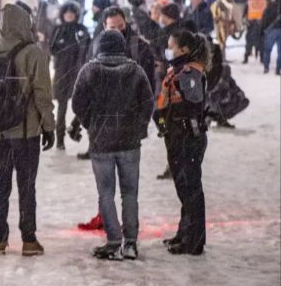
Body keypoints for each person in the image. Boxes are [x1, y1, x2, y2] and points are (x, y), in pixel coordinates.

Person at [0, 3, 55, 256]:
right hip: (26, 132)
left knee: (0, 185)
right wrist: (49, 127)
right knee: (26, 186)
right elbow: (42, 94)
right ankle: (29, 239)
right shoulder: (33, 53)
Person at [71, 30, 153, 260]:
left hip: (101, 142)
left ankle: (113, 240)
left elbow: (77, 103)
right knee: (130, 193)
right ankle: (131, 243)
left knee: (105, 194)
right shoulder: (136, 71)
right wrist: (137, 127)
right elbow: (147, 103)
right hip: (129, 142)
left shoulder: (89, 70)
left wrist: (92, 123)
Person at [155, 29, 211, 256]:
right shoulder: (176, 70)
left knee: (191, 188)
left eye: (172, 46)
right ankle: (185, 232)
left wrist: (182, 85)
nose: (169, 50)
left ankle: (194, 241)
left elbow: (194, 101)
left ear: (184, 50)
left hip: (189, 136)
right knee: (183, 187)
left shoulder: (190, 72)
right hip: (176, 135)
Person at [50, 2, 90, 150]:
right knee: (61, 106)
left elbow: (87, 49)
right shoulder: (58, 30)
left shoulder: (82, 31)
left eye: (72, 14)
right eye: (67, 13)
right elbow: (52, 48)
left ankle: (74, 126)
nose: (69, 15)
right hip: (62, 73)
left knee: (84, 103)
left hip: (79, 73)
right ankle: (60, 139)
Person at [243, 0, 268, 65]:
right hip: (261, 25)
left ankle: (246, 58)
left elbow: (244, 14)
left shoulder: (249, 2)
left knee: (249, 41)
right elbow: (267, 13)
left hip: (251, 25)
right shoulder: (264, 2)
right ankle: (262, 58)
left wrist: (245, 21)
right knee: (261, 42)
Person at [261, 0, 281, 76]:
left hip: (271, 30)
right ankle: (278, 69)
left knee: (267, 50)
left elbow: (265, 17)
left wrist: (262, 30)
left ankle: (266, 67)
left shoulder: (271, 6)